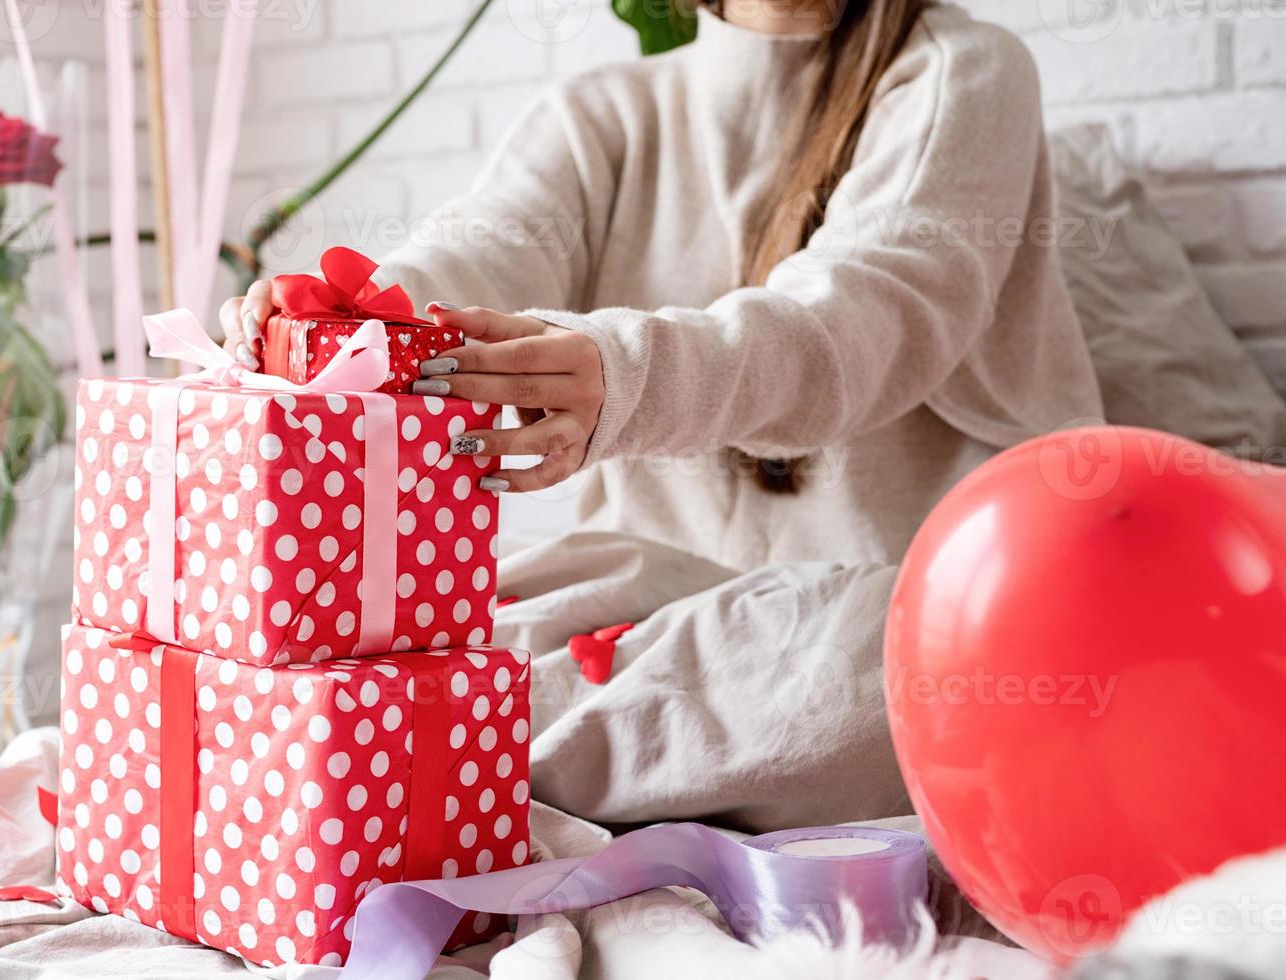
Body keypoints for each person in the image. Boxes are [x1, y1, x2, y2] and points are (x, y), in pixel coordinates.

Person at [220, 0, 1103, 832]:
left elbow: (858, 322)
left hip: (884, 606)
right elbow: (486, 247)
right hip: (658, 604)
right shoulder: (601, 113)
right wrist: (354, 318)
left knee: (934, 670)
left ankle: (429, 752)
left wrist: (624, 374)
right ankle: (466, 744)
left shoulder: (962, 71)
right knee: (420, 623)